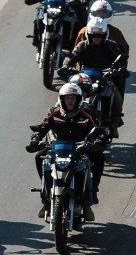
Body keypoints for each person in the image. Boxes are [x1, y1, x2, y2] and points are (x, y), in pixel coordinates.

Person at [26, 83, 105, 221]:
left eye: (73, 98)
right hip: (58, 149)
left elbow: (96, 130)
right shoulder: (54, 114)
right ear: (62, 99)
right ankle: (46, 199)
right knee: (39, 157)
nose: (70, 101)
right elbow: (42, 128)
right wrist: (35, 139)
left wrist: (97, 141)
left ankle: (90, 196)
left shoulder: (86, 115)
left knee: (99, 157)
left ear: (78, 99)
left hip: (80, 149)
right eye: (67, 98)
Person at [60, 18, 127, 138]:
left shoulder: (111, 46)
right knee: (67, 91)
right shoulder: (83, 45)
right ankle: (60, 116)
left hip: (106, 78)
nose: (96, 38)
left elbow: (120, 58)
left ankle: (114, 123)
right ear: (88, 35)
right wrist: (66, 66)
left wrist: (120, 68)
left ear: (104, 35)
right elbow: (73, 56)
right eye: (93, 36)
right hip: (85, 78)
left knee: (117, 98)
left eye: (99, 36)